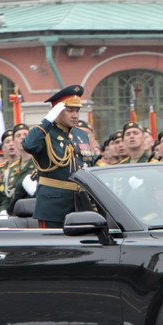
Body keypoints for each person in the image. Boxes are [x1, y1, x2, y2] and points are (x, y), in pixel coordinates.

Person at [22, 85, 95, 228]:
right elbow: (29, 145)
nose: (75, 115)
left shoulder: (81, 135)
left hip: (81, 205)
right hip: (53, 207)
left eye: (77, 110)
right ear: (57, 112)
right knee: (54, 249)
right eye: (70, 110)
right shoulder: (45, 133)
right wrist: (48, 119)